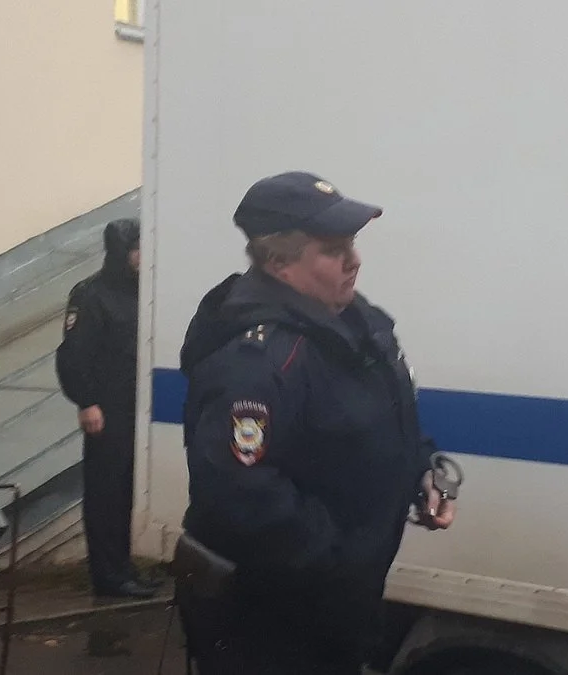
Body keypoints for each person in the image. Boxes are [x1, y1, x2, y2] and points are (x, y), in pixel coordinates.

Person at [175, 171, 459, 674]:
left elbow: (385, 415)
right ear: (278, 263)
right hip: (276, 618)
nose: (354, 260)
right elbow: (241, 492)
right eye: (332, 250)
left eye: (351, 243)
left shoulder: (355, 321)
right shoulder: (256, 361)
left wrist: (420, 471)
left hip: (342, 602)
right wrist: (340, 558)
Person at [55, 218, 159, 599]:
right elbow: (73, 355)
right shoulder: (91, 295)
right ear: (120, 252)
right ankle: (108, 576)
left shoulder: (143, 292)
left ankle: (123, 567)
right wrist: (86, 401)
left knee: (127, 492)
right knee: (106, 493)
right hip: (106, 409)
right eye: (136, 249)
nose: (142, 256)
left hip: (137, 408)